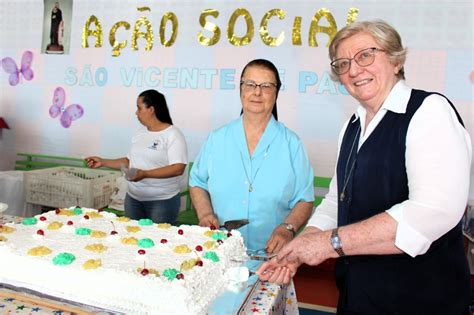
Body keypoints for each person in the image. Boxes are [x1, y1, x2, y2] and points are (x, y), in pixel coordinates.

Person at [257, 20, 472, 314]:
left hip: (419, 300)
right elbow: (337, 198)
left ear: (396, 60)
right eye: (342, 63)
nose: (354, 70)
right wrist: (303, 245)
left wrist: (329, 243)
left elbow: (432, 211)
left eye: (366, 55)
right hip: (358, 295)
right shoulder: (352, 125)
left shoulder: (429, 111)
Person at [189, 59, 314, 253]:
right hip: (220, 250)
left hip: (271, 256)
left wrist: (288, 228)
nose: (257, 92)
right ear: (241, 90)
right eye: (250, 84)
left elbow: (305, 199)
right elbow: (197, 181)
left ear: (276, 93)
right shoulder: (217, 139)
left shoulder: (292, 144)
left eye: (266, 86)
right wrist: (205, 213)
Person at [85, 89, 188, 224]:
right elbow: (129, 161)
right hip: (133, 199)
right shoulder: (140, 133)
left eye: (139, 108)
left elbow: (178, 168)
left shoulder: (173, 134)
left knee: (158, 241)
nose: (136, 113)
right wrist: (103, 162)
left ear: (151, 109)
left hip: (162, 202)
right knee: (132, 239)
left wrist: (145, 174)